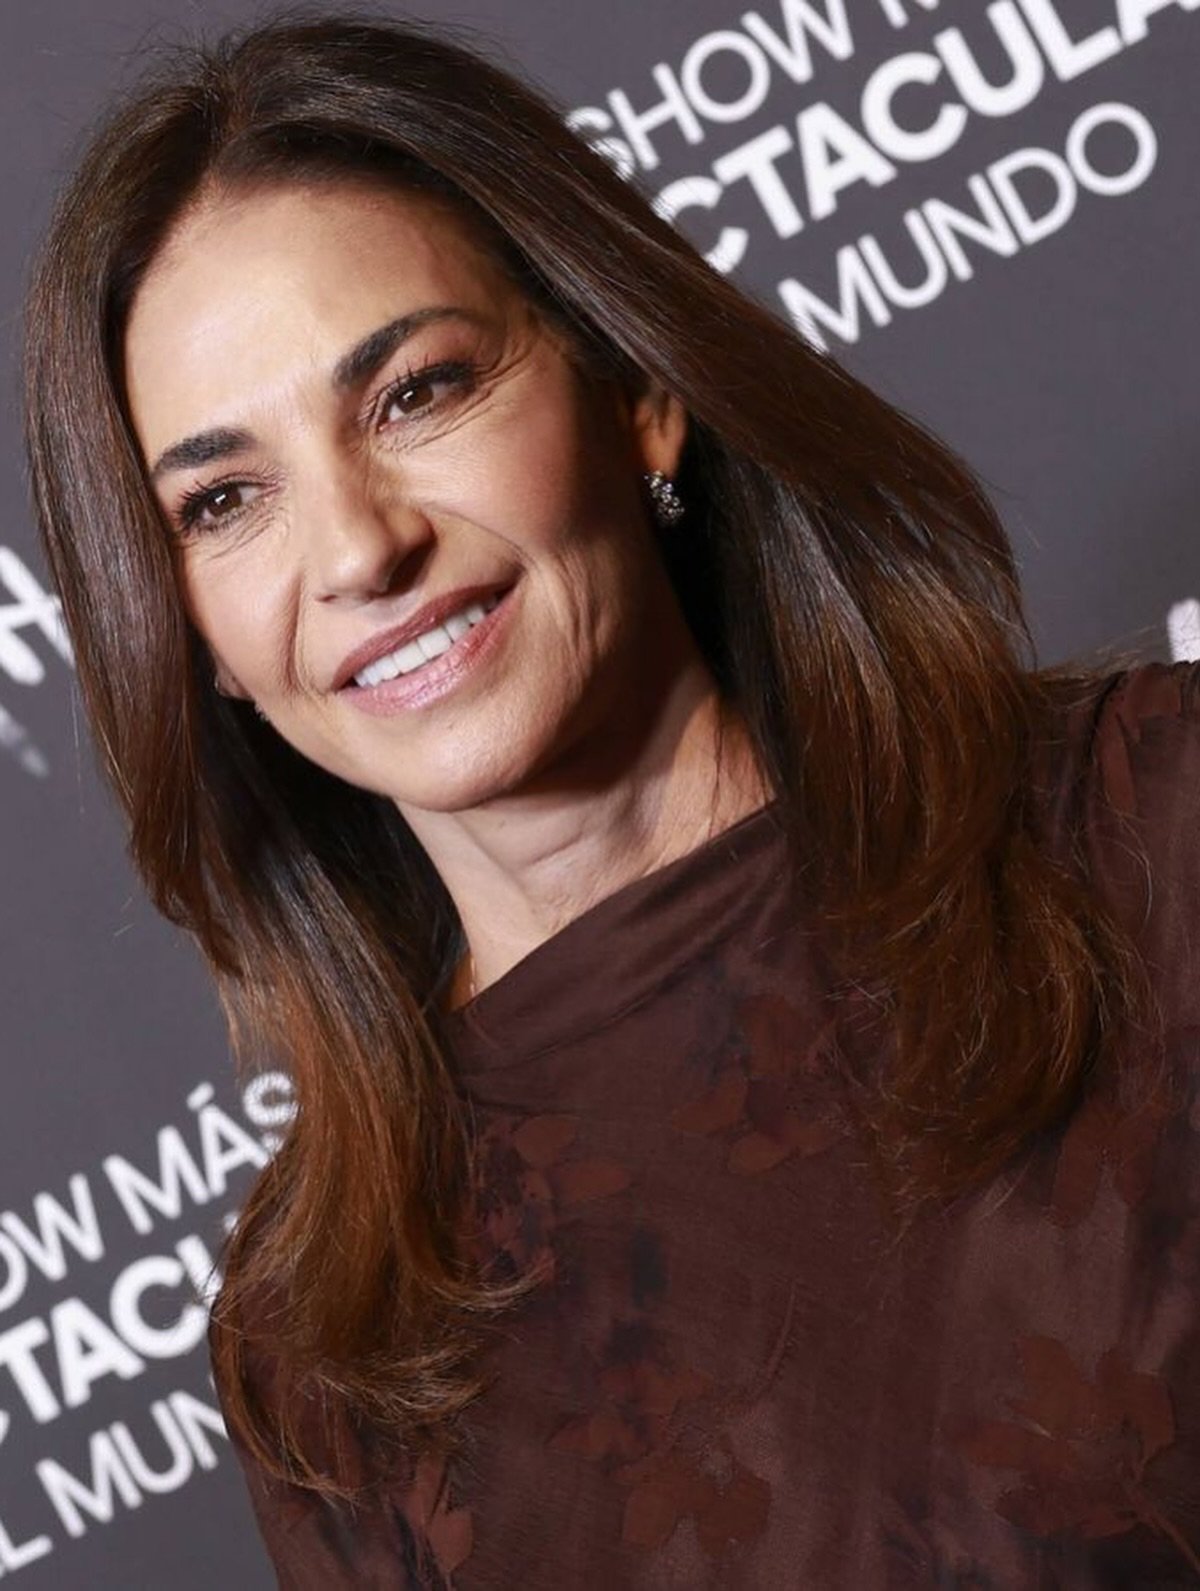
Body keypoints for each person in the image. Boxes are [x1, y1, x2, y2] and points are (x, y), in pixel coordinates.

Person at [21, 11, 1199, 1588]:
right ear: (191, 635)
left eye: (417, 393)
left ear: (636, 389)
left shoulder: (1153, 822)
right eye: (225, 500)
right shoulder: (329, 1333)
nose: (359, 550)